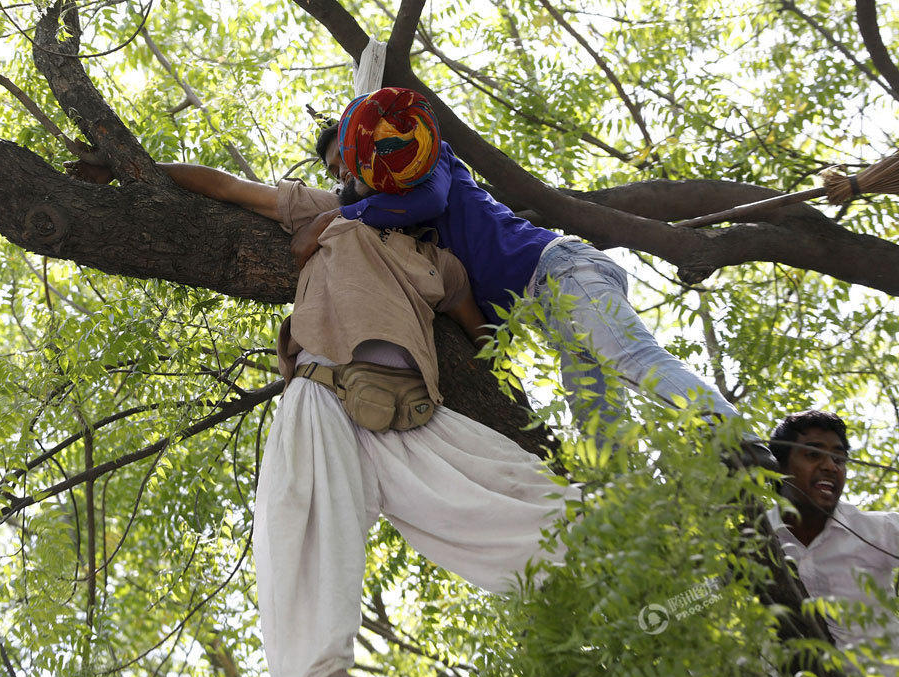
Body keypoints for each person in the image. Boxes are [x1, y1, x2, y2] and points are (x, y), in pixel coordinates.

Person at [67, 155, 583, 677]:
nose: (343, 171)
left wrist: (510, 374)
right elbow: (225, 187)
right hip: (323, 388)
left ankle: (608, 551)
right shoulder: (330, 211)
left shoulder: (441, 261)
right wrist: (121, 164)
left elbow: (486, 343)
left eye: (350, 159)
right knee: (298, 512)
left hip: (406, 411)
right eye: (339, 165)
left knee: (506, 486)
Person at [300, 88, 774, 463]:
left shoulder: (432, 163)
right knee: (599, 429)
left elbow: (431, 202)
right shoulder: (400, 227)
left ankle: (740, 440)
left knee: (630, 357)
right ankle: (629, 514)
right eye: (333, 173)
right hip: (550, 310)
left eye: (342, 162)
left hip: (561, 271)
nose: (340, 177)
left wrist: (343, 214)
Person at [768, 410, 899, 668]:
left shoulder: (878, 531)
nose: (830, 466)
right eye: (813, 454)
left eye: (839, 458)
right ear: (779, 466)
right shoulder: (754, 544)